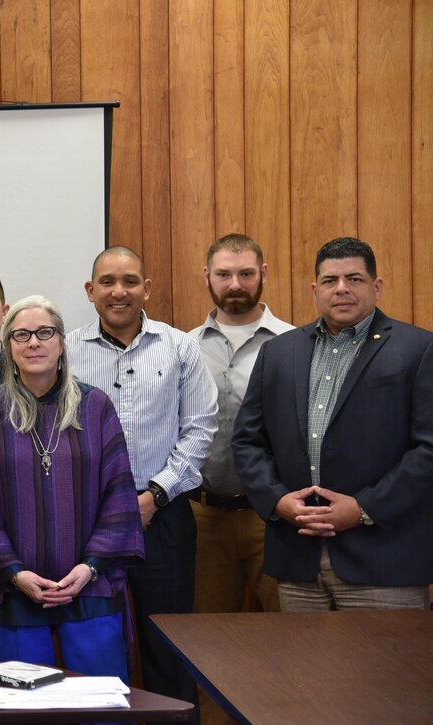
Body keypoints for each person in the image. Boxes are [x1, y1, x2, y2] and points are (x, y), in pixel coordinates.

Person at [233, 237, 433, 611]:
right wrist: (277, 499)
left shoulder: (420, 349)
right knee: (303, 671)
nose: (341, 288)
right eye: (330, 281)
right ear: (315, 290)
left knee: (387, 671)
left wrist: (364, 508)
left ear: (376, 287)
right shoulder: (278, 352)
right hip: (298, 559)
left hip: (385, 559)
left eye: (354, 279)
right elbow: (247, 441)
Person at [0, 295, 144, 679]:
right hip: (12, 592)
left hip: (90, 588)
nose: (33, 342)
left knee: (101, 707)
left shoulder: (96, 407)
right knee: (25, 708)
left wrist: (90, 567)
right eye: (21, 335)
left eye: (45, 332)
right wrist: (14, 572)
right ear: (8, 347)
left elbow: (119, 497)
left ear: (61, 342)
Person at [64, 246, 216, 711]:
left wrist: (153, 494)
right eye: (107, 282)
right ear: (90, 291)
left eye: (130, 281)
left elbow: (200, 430)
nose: (119, 291)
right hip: (84, 521)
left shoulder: (181, 348)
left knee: (169, 646)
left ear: (146, 288)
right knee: (89, 643)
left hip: (163, 516)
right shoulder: (64, 351)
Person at [189, 234, 293, 616]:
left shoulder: (294, 343)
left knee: (293, 637)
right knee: (210, 642)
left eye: (246, 273)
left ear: (263, 273)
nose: (235, 284)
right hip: (203, 518)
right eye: (224, 274)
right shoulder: (185, 347)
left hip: (274, 518)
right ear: (207, 276)